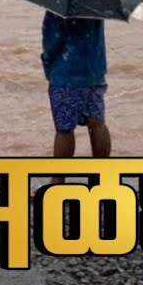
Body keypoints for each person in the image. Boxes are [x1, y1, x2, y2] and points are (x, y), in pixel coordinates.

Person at [41, 11, 111, 184]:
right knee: (97, 122)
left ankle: (57, 183)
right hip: (95, 70)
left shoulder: (58, 7)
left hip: (67, 72)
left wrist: (47, 63)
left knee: (64, 129)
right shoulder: (95, 2)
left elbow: (52, 41)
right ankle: (101, 179)